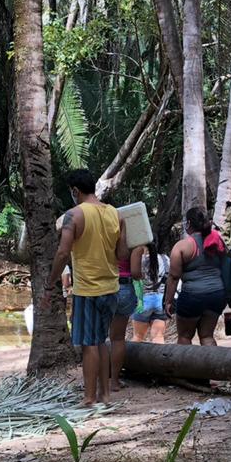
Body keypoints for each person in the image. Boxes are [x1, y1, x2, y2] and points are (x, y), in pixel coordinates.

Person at [43, 169, 128, 406]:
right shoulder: (116, 214)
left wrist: (50, 284)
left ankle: (89, 398)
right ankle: (105, 395)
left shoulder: (74, 215)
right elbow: (122, 254)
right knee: (101, 341)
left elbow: (62, 252)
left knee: (89, 344)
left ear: (75, 191)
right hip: (111, 287)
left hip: (87, 289)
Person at [165, 206, 226, 346]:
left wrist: (168, 301)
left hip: (192, 296)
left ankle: (185, 368)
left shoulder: (182, 246)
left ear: (189, 224)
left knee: (185, 337)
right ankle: (212, 367)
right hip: (216, 295)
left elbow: (173, 277)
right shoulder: (218, 241)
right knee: (207, 336)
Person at [109, 239, 146, 392]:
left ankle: (97, 379)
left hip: (101, 286)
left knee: (97, 337)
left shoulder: (103, 236)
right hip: (123, 287)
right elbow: (136, 273)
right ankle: (114, 382)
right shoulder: (134, 243)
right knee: (117, 338)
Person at [132, 247, 170, 344]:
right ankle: (159, 359)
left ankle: (130, 359)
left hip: (143, 301)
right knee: (158, 337)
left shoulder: (138, 260)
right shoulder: (165, 258)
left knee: (138, 336)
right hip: (161, 301)